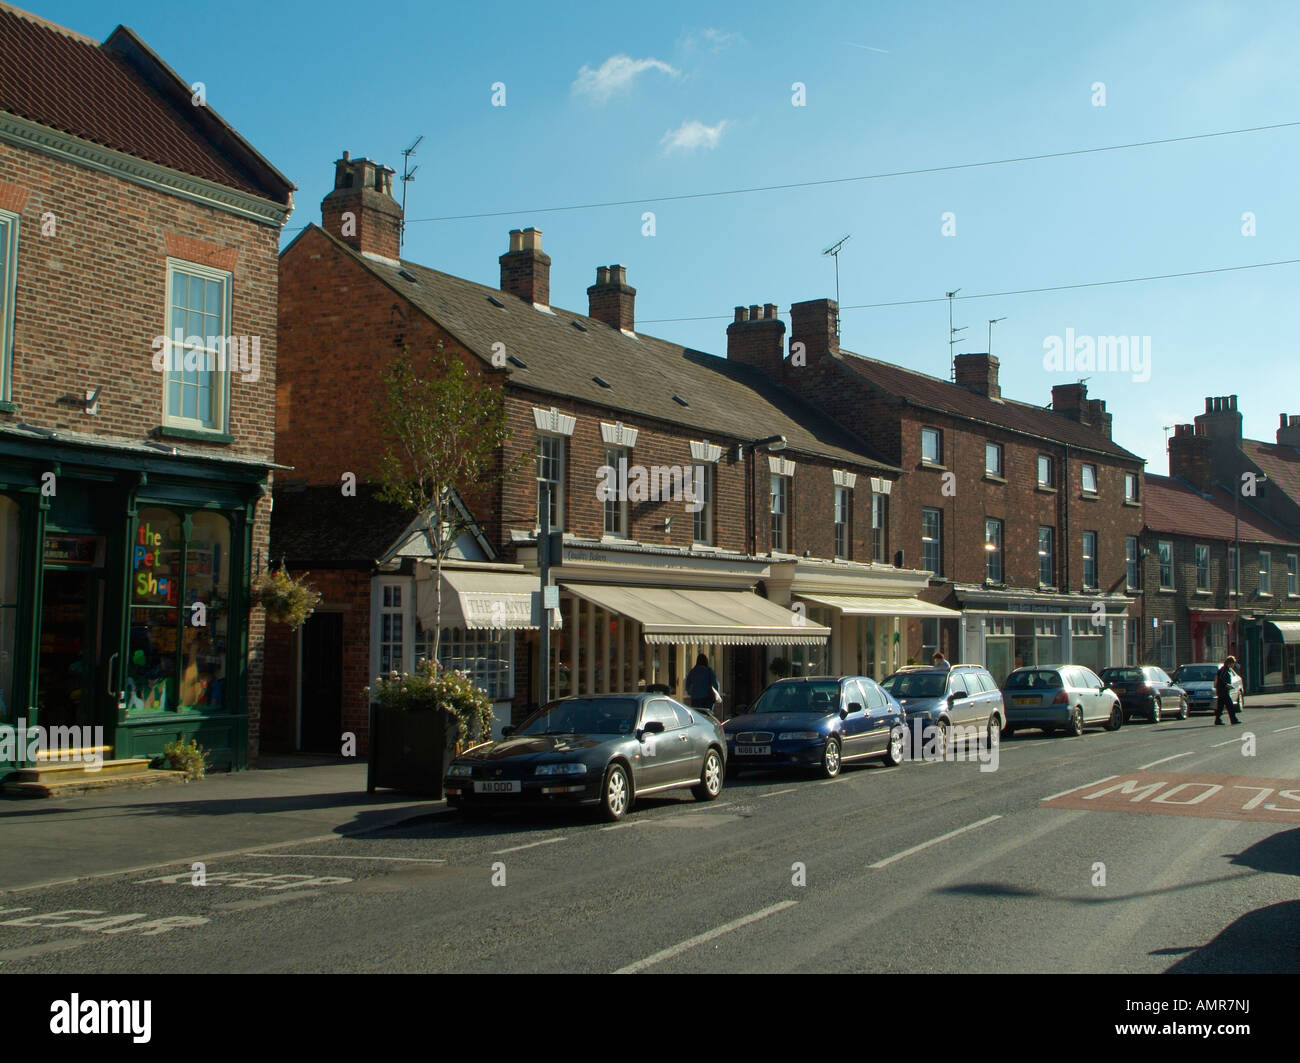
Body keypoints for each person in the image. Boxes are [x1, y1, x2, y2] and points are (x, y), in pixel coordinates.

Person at [1215, 655, 1241, 725]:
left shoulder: (1225, 669)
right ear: (1229, 663)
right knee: (1230, 706)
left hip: (1221, 691)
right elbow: (1221, 679)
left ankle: (1217, 720)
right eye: (1233, 663)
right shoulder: (1224, 670)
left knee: (1220, 707)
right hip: (1223, 691)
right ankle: (1233, 720)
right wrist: (1226, 684)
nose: (1233, 665)